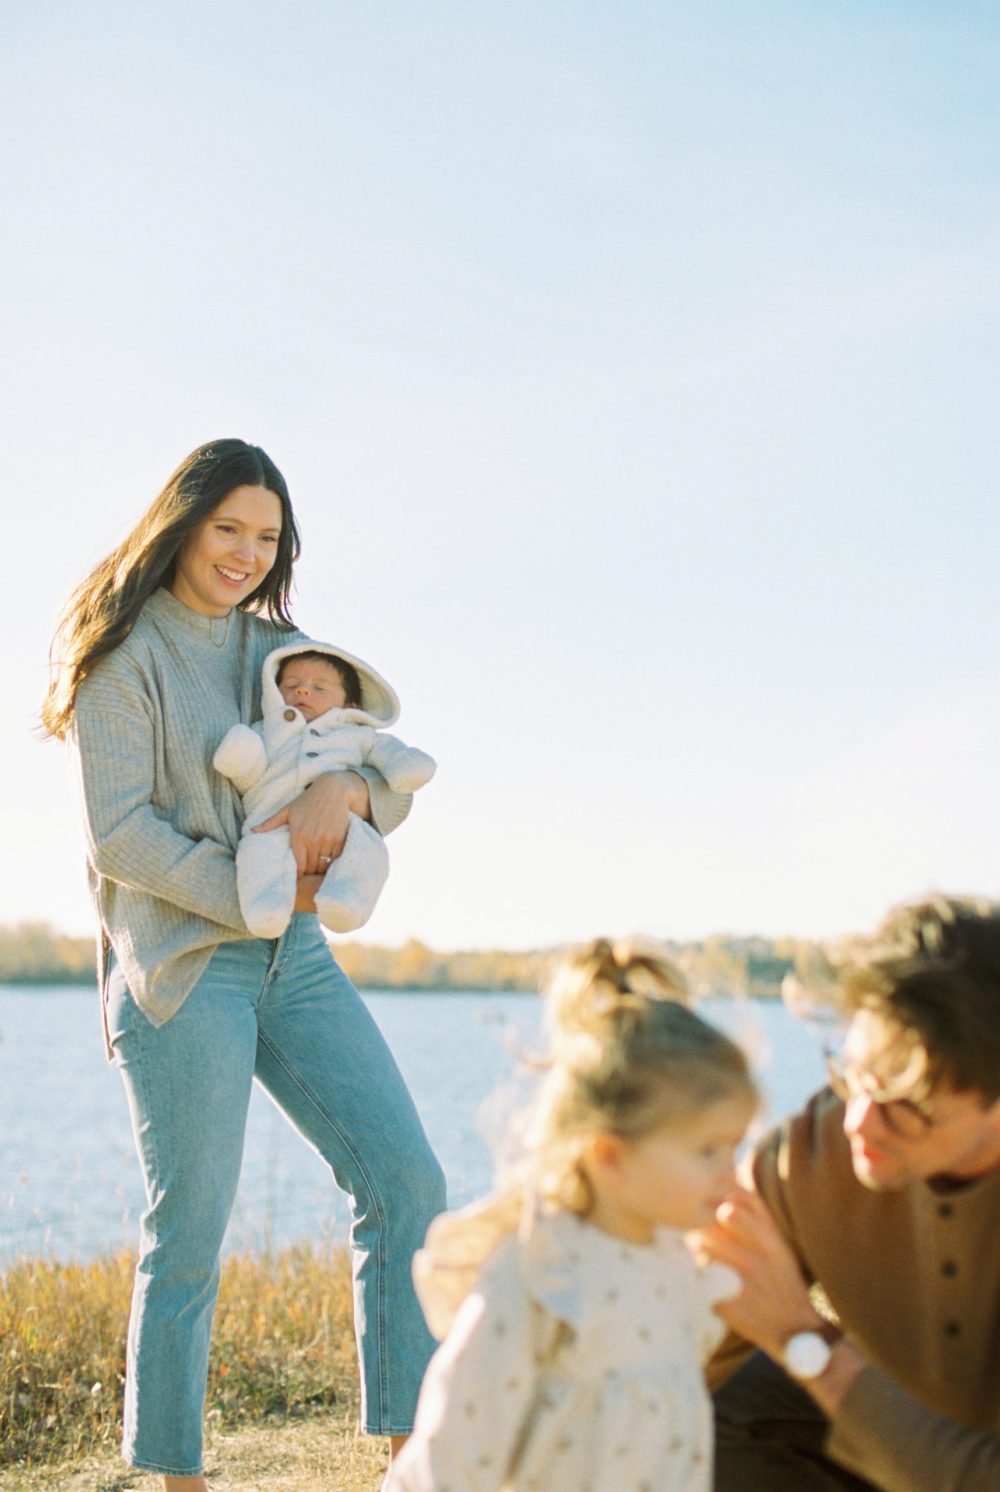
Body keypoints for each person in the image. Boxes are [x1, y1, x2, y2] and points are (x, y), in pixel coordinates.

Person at [41, 438, 447, 1491]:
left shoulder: (284, 650)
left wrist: (346, 795)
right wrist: (256, 895)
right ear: (180, 523)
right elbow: (121, 838)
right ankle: (176, 1475)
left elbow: (368, 765)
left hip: (294, 963)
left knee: (406, 1179)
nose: (246, 554)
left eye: (267, 537)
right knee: (188, 1231)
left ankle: (411, 1460)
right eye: (228, 528)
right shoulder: (120, 659)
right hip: (183, 967)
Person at [384, 937, 759, 1492]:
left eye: (734, 1148)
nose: (732, 1174)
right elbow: (454, 1451)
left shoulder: (683, 1266)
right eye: (708, 1152)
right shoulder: (542, 1272)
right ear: (611, 1156)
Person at [699, 894, 1000, 1492]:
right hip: (888, 1442)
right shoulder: (808, 1157)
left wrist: (805, 1343)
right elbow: (671, 1358)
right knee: (719, 1410)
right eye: (855, 1074)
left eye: (906, 1099)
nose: (860, 1121)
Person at [213, 639, 436, 937]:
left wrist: (406, 768)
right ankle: (266, 909)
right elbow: (250, 774)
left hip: (344, 827)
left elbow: (390, 757)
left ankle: (347, 901)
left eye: (320, 688)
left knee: (370, 852)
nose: (303, 691)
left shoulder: (357, 735)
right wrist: (239, 756)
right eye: (291, 685)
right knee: (257, 854)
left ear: (350, 705)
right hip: (269, 825)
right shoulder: (267, 731)